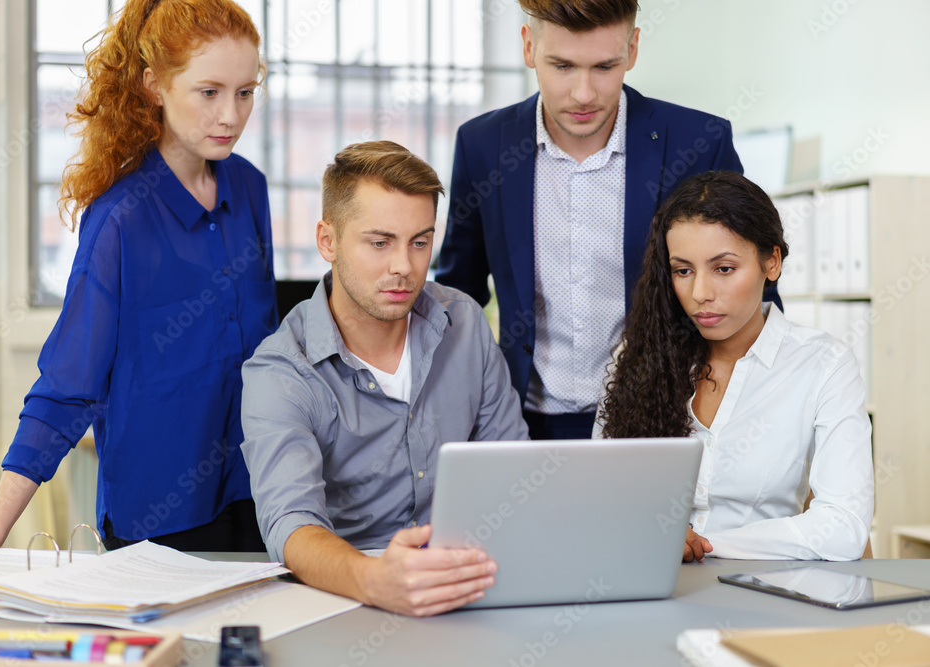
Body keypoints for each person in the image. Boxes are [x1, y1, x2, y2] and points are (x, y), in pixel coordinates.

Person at [0, 0, 278, 557]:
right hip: (161, 517)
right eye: (208, 92)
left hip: (261, 492)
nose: (231, 116)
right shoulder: (121, 220)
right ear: (154, 85)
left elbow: (267, 349)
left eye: (245, 92)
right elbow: (67, 385)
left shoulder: (251, 188)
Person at [436, 0, 780, 441]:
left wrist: (760, 414)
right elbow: (457, 292)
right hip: (520, 423)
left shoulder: (698, 142)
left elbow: (754, 289)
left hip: (666, 419)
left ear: (633, 49)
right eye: (561, 66)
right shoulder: (482, 145)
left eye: (604, 67)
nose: (583, 93)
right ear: (528, 47)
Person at [240, 141, 529, 616]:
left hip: (472, 585)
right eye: (380, 242)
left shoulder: (465, 322)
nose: (404, 266)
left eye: (420, 241)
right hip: (349, 599)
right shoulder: (281, 372)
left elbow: (515, 473)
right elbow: (291, 526)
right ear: (327, 241)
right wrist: (377, 581)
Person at [596, 171, 873, 562]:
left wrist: (696, 545)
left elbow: (843, 528)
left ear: (771, 262)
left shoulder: (824, 364)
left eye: (723, 269)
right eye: (683, 270)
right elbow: (596, 501)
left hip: (767, 594)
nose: (700, 294)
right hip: (646, 583)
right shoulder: (637, 357)